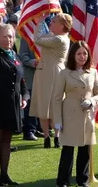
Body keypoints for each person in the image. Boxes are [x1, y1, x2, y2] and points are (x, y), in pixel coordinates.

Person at [0, 14, 29, 186]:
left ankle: (5, 175)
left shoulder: (14, 55)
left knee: (7, 140)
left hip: (13, 103)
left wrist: (24, 96)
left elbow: (21, 79)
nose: (9, 39)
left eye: (11, 36)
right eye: (6, 36)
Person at [52, 41, 98, 187]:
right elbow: (56, 98)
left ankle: (83, 180)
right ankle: (63, 181)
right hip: (69, 116)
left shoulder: (92, 72)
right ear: (73, 55)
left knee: (85, 150)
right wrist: (57, 120)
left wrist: (92, 101)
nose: (82, 57)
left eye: (85, 53)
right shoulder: (64, 73)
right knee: (68, 151)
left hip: (86, 116)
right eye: (79, 53)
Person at [30, 12, 71, 149]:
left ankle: (56, 135)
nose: (51, 23)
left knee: (55, 105)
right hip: (44, 72)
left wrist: (40, 22)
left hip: (54, 73)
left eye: (54, 22)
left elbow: (37, 39)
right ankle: (47, 136)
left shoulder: (60, 39)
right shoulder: (55, 37)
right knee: (43, 105)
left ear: (62, 26)